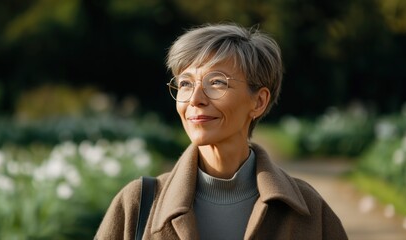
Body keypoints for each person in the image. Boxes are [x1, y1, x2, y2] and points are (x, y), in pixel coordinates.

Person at [94, 22, 348, 240]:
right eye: (185, 83)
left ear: (258, 102)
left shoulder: (308, 210)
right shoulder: (137, 205)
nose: (195, 99)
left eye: (216, 82)